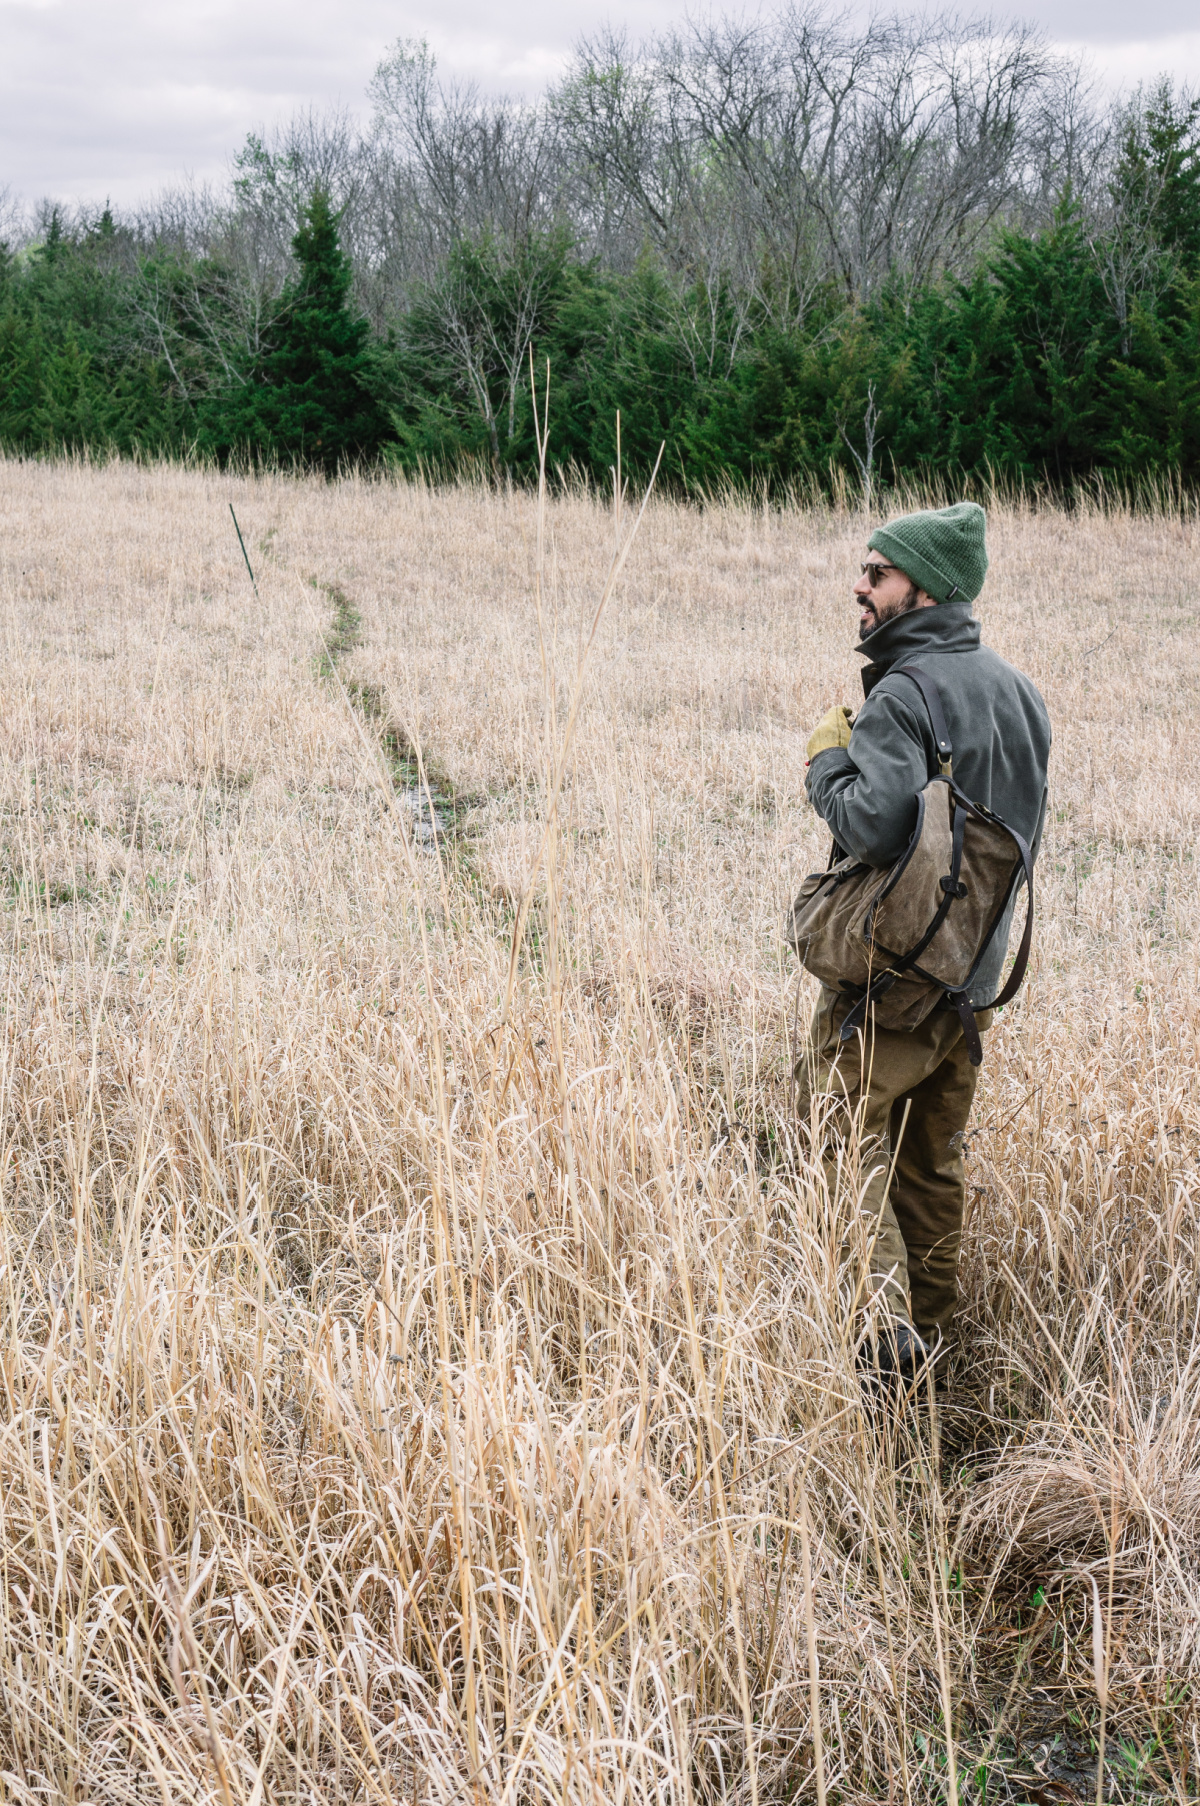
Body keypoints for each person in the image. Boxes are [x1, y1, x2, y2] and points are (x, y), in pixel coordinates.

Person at [798, 501, 1051, 1382]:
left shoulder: (902, 692)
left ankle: (880, 1340)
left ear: (927, 589)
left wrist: (827, 760)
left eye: (878, 573)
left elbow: (871, 828)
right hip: (972, 984)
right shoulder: (1022, 693)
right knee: (929, 1168)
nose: (859, 586)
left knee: (832, 1135)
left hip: (894, 982)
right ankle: (934, 1353)